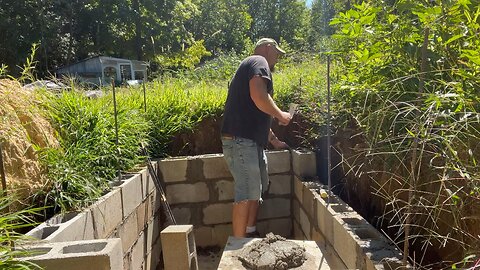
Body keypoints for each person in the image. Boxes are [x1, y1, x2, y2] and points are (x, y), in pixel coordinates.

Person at [221, 38, 292, 238]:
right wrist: (281, 115)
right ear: (267, 48)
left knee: (258, 187)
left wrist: (272, 139)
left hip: (249, 141)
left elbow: (257, 113)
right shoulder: (258, 61)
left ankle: (250, 232)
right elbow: (259, 97)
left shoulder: (252, 67)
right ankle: (237, 247)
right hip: (241, 141)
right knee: (246, 192)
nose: (277, 57)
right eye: (276, 52)